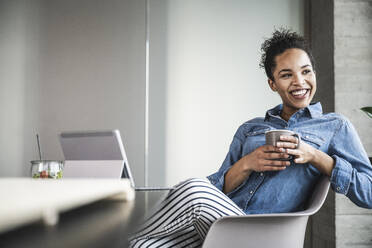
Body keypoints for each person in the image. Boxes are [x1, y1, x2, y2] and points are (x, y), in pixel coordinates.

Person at [129, 28, 372, 248]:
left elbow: (369, 193)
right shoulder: (250, 128)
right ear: (272, 83)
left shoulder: (335, 126)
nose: (299, 82)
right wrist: (247, 164)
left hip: (265, 233)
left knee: (192, 189)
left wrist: (317, 156)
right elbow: (214, 188)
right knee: (143, 245)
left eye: (306, 71)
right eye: (286, 75)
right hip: (221, 222)